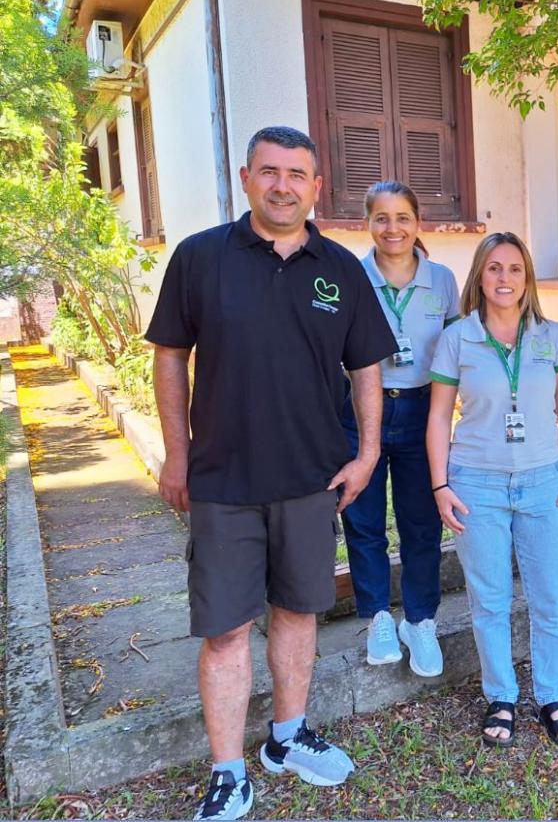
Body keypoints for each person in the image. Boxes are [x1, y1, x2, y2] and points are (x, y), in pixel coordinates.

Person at [147, 127, 396, 820]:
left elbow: (366, 366)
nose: (283, 185)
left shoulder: (341, 269)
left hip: (311, 481)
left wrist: (368, 451)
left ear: (317, 186)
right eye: (269, 172)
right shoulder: (201, 258)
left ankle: (287, 736)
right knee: (226, 629)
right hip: (223, 481)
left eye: (297, 174)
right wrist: (177, 451)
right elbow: (169, 354)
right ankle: (228, 770)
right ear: (246, 177)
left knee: (298, 611)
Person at [427, 232, 558, 747]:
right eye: (494, 268)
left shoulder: (551, 335)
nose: (504, 278)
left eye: (514, 269)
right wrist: (440, 485)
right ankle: (501, 695)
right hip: (477, 482)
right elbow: (436, 418)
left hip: (543, 480)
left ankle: (550, 695)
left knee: (550, 597)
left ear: (527, 278)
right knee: (490, 599)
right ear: (479, 276)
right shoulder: (457, 338)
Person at [341, 181, 459, 674]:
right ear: (368, 223)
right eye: (382, 218)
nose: (393, 228)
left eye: (403, 217)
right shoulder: (349, 276)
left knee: (421, 522)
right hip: (359, 412)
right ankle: (376, 617)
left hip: (422, 413)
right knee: (364, 520)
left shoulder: (443, 280)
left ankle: (420, 620)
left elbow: (456, 350)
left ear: (418, 223)